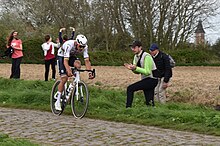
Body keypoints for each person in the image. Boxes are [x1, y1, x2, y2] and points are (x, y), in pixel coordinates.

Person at [55, 34, 94, 111]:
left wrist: (89, 72)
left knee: (78, 64)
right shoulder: (69, 45)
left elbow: (86, 60)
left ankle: (74, 82)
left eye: (83, 47)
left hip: (71, 56)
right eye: (80, 47)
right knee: (64, 78)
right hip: (62, 56)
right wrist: (68, 70)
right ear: (76, 43)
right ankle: (57, 100)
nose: (81, 49)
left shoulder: (85, 47)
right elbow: (65, 61)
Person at [124, 40, 158, 108]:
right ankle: (152, 113)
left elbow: (147, 71)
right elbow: (137, 72)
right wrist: (132, 69)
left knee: (130, 88)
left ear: (140, 47)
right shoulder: (136, 57)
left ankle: (128, 108)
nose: (133, 49)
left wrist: (135, 68)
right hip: (146, 79)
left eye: (134, 47)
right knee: (149, 102)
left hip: (152, 79)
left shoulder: (147, 56)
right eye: (132, 48)